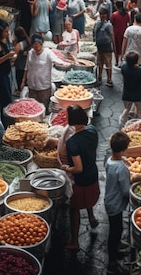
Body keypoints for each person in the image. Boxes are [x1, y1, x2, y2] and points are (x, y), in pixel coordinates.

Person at [60, 105, 100, 251]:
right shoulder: (92, 130)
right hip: (93, 173)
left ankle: (74, 241)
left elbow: (78, 168)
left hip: (81, 180)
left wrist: (66, 168)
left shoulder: (73, 143)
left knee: (74, 208)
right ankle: (92, 218)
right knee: (88, 200)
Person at [105, 131, 140, 274]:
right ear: (125, 149)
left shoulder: (110, 160)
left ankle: (117, 247)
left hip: (110, 200)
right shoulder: (121, 168)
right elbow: (126, 190)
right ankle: (111, 262)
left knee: (116, 229)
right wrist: (134, 180)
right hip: (116, 204)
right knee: (115, 231)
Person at [21, 34, 70, 112]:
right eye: (34, 45)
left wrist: (65, 63)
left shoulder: (48, 53)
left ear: (41, 44)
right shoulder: (31, 53)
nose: (36, 47)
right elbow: (27, 67)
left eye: (38, 45)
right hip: (32, 86)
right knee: (33, 107)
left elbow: (56, 60)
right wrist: (23, 81)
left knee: (43, 107)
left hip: (43, 87)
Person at [119, 51, 141, 127]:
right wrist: (138, 66)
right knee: (139, 111)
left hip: (126, 94)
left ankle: (122, 122)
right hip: (138, 95)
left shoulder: (124, 67)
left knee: (127, 109)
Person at [93, 8, 115, 86]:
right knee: (100, 62)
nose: (102, 16)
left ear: (106, 15)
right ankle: (99, 77)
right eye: (101, 14)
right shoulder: (97, 23)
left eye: (104, 14)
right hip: (99, 46)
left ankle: (109, 79)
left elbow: (112, 36)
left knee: (108, 62)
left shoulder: (108, 25)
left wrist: (114, 47)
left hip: (107, 46)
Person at [110, 0, 131, 68]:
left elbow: (111, 24)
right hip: (124, 32)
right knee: (123, 47)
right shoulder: (126, 14)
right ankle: (122, 60)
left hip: (116, 33)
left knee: (116, 47)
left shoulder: (114, 14)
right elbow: (128, 22)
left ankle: (116, 61)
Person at [13, 26, 32, 95]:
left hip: (19, 66)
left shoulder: (18, 45)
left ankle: (20, 92)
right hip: (27, 65)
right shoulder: (28, 41)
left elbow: (14, 56)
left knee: (20, 80)